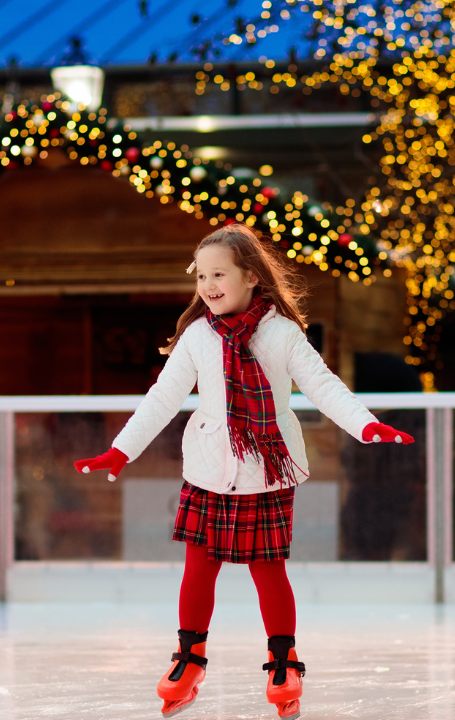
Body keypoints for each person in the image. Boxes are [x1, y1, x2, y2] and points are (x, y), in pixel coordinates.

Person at [74, 223, 414, 719]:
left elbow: (323, 385)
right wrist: (121, 450)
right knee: (198, 567)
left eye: (219, 274)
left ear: (252, 277)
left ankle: (284, 662)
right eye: (202, 275)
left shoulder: (281, 334)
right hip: (210, 468)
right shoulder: (197, 337)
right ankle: (189, 659)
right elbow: (162, 399)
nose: (208, 285)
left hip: (266, 470)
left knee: (268, 571)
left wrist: (366, 427)